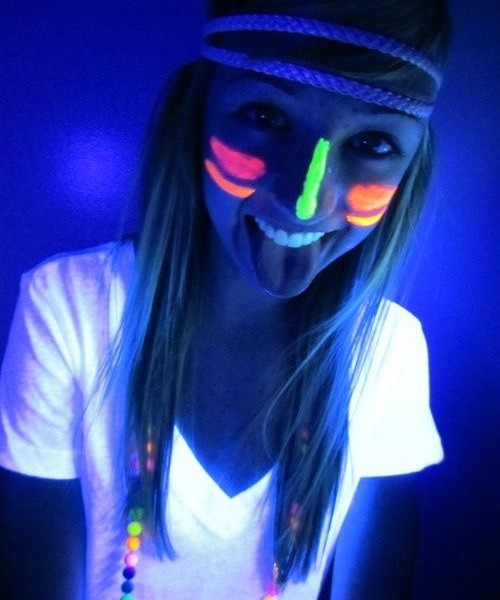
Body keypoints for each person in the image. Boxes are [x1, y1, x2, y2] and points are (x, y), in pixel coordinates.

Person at [0, 0, 452, 598]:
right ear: (197, 115)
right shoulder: (69, 307)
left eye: (371, 142)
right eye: (265, 114)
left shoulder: (390, 351)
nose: (305, 201)